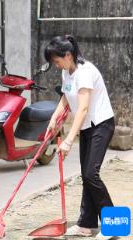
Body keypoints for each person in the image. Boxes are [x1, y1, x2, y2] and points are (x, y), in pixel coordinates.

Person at [44, 35, 115, 239]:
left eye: (57, 61)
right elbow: (66, 98)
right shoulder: (68, 73)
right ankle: (87, 224)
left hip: (101, 125)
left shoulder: (85, 72)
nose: (56, 66)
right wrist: (54, 118)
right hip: (86, 127)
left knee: (91, 174)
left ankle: (113, 226)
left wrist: (67, 141)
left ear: (68, 55)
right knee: (86, 175)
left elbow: (82, 108)